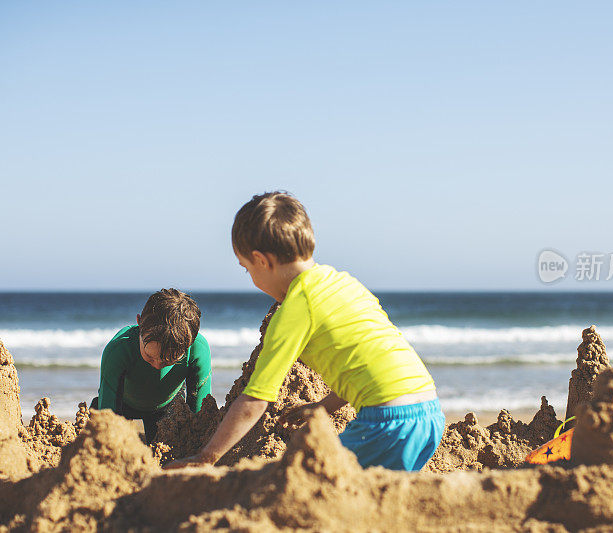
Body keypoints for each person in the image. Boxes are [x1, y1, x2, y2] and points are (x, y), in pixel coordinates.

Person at [167, 191, 444, 471]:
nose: (251, 278)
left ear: (261, 260)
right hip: (428, 412)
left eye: (246, 268)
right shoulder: (344, 283)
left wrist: (206, 458)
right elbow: (363, 366)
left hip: (388, 421)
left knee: (313, 480)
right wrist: (322, 406)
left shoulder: (295, 308)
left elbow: (254, 400)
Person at [91, 288, 212, 443]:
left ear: (190, 342)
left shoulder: (198, 349)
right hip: (122, 402)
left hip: (168, 406)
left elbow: (200, 413)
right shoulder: (119, 348)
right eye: (149, 357)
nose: (157, 365)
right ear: (139, 323)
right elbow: (107, 411)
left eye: (169, 361)